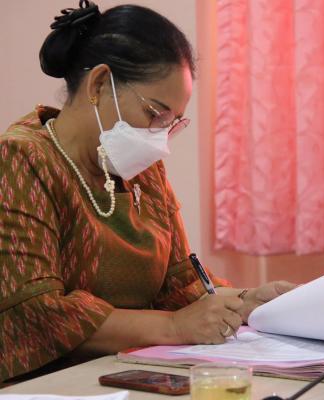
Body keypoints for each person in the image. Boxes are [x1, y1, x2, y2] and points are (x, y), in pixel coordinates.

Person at [0, 0, 295, 382]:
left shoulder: (141, 169)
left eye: (172, 123)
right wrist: (173, 327)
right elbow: (37, 313)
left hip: (130, 372)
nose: (159, 138)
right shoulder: (20, 159)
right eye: (155, 114)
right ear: (99, 84)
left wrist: (248, 301)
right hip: (50, 383)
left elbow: (181, 284)